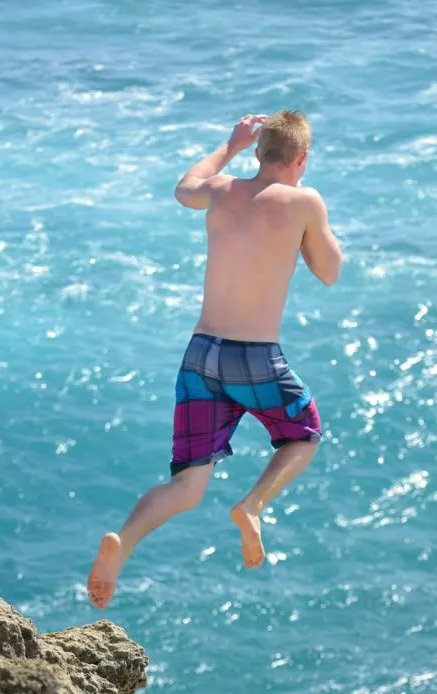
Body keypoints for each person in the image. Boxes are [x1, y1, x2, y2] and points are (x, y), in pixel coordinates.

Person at [87, 110, 342, 610]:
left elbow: (186, 188)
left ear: (258, 152)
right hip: (255, 357)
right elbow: (330, 271)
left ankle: (124, 543)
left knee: (186, 484)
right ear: (302, 159)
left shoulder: (222, 190)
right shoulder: (304, 200)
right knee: (303, 432)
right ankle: (252, 506)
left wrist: (229, 146)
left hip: (201, 355)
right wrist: (308, 235)